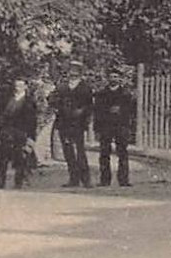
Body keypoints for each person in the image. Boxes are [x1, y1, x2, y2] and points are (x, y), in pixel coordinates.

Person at [52, 60, 94, 188]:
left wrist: (82, 112)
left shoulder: (85, 87)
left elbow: (90, 105)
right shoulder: (62, 86)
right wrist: (57, 107)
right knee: (68, 150)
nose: (72, 73)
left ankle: (86, 179)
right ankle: (73, 179)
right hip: (64, 121)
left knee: (80, 150)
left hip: (78, 123)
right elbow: (52, 99)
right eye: (71, 70)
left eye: (75, 71)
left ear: (80, 73)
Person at [0, 77, 39, 189]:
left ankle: (18, 182)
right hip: (6, 133)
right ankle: (0, 182)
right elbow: (2, 115)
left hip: (21, 133)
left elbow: (33, 121)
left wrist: (31, 137)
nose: (17, 88)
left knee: (20, 159)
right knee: (2, 158)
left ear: (25, 87)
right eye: (16, 86)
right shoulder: (7, 99)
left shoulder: (29, 101)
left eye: (20, 86)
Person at [94, 71, 137, 187]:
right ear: (108, 78)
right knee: (104, 153)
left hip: (121, 125)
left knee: (122, 153)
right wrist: (97, 129)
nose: (113, 79)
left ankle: (123, 180)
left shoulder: (126, 94)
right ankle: (105, 180)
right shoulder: (101, 94)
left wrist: (121, 111)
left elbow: (131, 112)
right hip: (106, 126)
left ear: (120, 79)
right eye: (111, 76)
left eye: (116, 77)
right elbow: (97, 112)